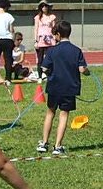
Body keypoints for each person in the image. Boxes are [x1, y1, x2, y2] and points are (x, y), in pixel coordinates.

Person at [35, 20, 89, 155]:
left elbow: (44, 67)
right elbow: (82, 69)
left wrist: (50, 73)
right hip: (70, 87)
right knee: (63, 115)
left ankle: (44, 142)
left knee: (50, 113)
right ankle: (58, 145)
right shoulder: (76, 50)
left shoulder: (52, 51)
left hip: (54, 86)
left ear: (58, 34)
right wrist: (88, 72)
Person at [32, 2, 57, 81]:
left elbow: (54, 28)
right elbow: (36, 29)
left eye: (46, 6)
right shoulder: (37, 17)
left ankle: (51, 74)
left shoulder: (52, 17)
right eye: (42, 6)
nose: (44, 8)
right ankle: (40, 76)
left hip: (50, 40)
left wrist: (55, 39)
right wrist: (36, 41)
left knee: (51, 58)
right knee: (40, 59)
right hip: (41, 40)